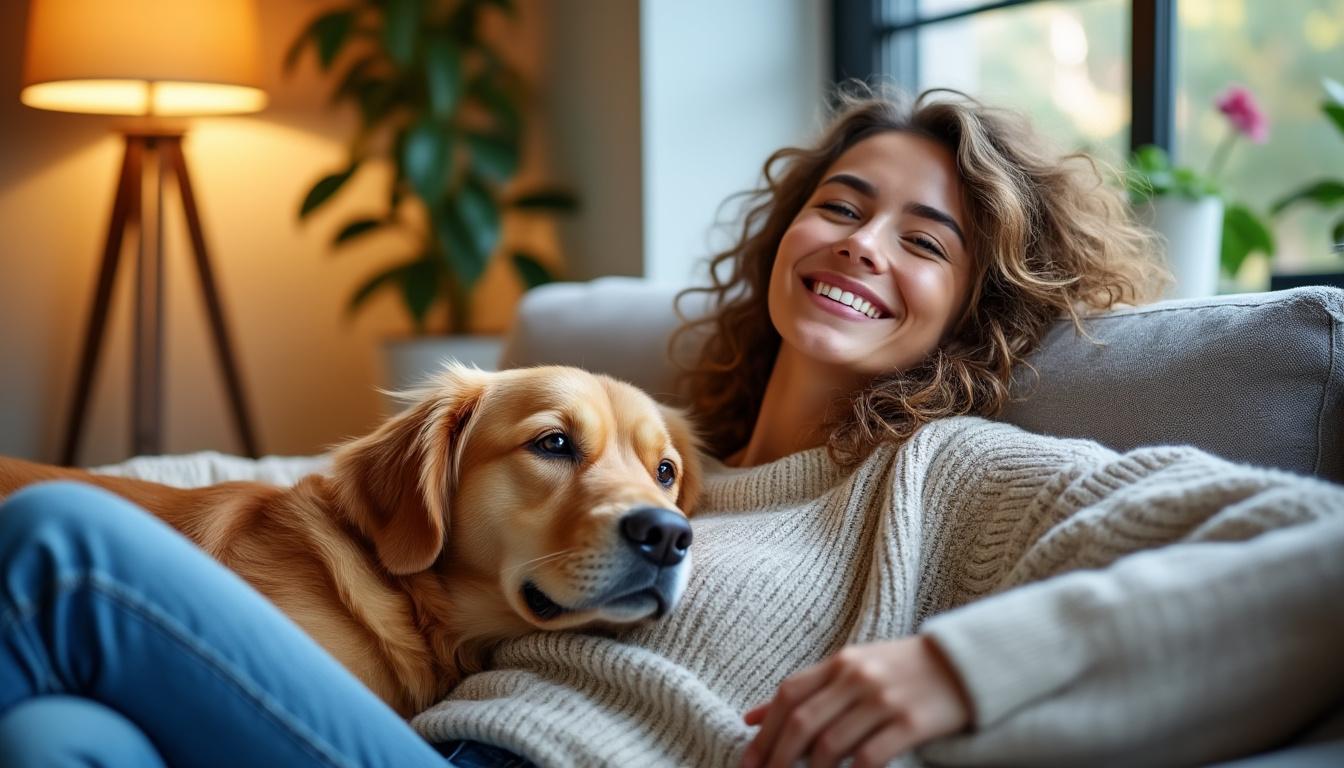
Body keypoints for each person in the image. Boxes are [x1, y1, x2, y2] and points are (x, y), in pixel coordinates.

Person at [2, 86, 1342, 768]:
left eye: (923, 238)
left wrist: (963, 670)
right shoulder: (662, 461)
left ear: (975, 304)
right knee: (60, 744)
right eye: (840, 203)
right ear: (786, 232)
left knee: (59, 546)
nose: (863, 245)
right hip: (404, 743)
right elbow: (322, 502)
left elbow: (1318, 548)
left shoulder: (947, 478)